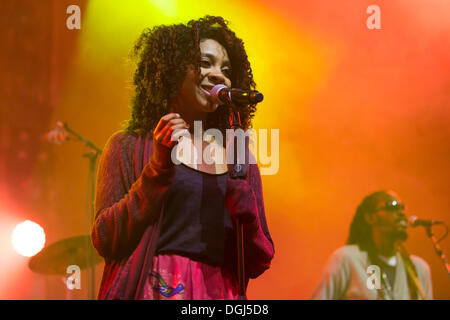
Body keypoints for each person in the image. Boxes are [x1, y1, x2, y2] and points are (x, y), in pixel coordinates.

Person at [91, 16, 274, 300]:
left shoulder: (238, 156)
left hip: (217, 293)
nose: (218, 76)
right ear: (172, 70)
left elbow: (260, 260)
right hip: (153, 289)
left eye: (226, 70)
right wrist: (156, 170)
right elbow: (105, 238)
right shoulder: (128, 146)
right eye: (205, 63)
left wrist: (248, 220)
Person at [312, 190, 432, 300]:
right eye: (392, 206)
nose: (401, 213)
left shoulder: (419, 268)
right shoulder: (347, 259)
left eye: (402, 207)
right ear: (370, 218)